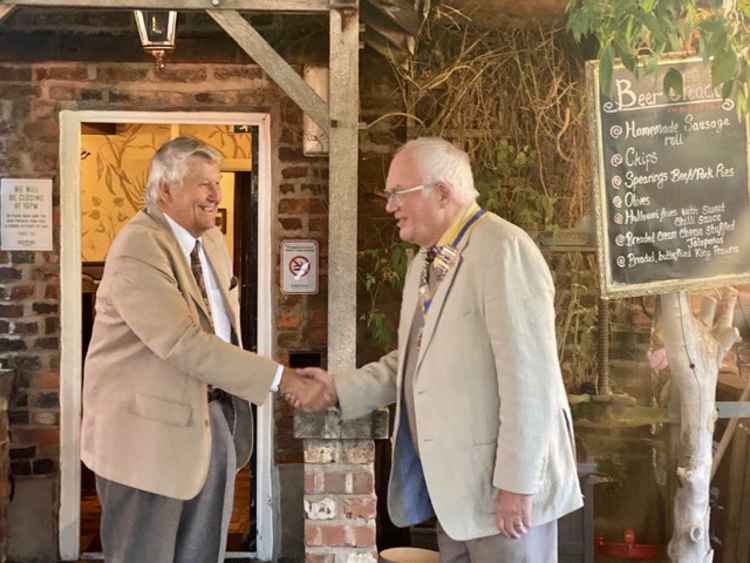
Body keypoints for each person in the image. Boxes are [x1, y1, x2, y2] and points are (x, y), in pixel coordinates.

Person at [292, 137, 583, 562]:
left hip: (503, 497)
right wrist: (339, 387)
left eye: (398, 193)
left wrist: (519, 484)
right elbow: (412, 361)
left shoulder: (503, 249)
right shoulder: (423, 264)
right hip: (453, 498)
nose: (389, 205)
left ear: (443, 192)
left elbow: (531, 380)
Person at [81, 136, 322, 563]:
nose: (216, 193)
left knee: (202, 553)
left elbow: (222, 328)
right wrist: (281, 378)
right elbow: (182, 342)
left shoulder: (211, 242)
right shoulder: (138, 246)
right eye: (202, 184)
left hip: (212, 421)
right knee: (145, 554)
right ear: (165, 191)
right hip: (146, 438)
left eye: (216, 182)